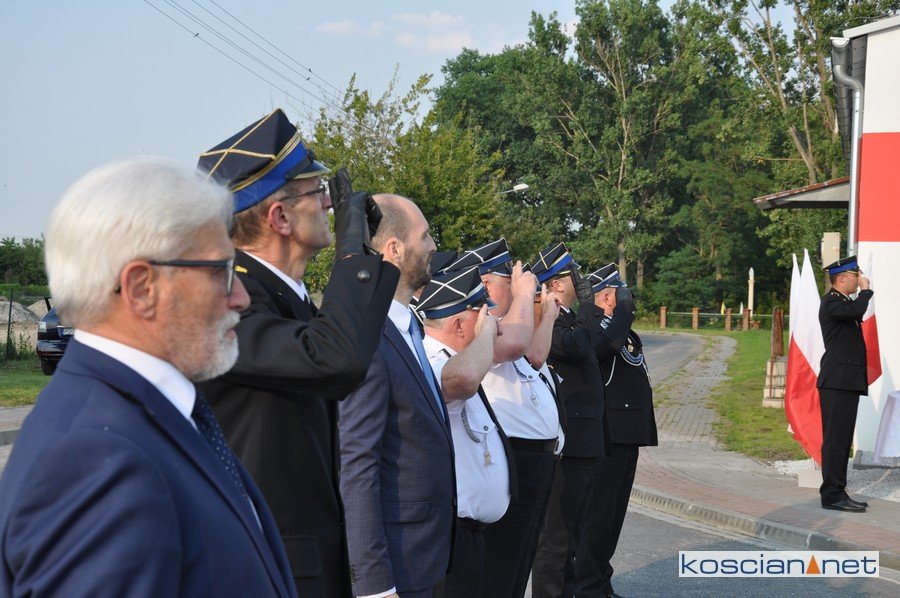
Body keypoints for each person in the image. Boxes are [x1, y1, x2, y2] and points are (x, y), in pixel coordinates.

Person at [0, 158, 295, 596]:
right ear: (141, 288)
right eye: (222, 271)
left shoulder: (141, 412)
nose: (241, 297)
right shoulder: (95, 460)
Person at [197, 108, 399, 597]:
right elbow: (334, 359)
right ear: (280, 217)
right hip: (268, 567)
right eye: (317, 191)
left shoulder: (287, 297)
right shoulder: (226, 299)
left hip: (302, 562)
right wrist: (352, 254)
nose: (330, 203)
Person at [338, 194, 455, 598]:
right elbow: (357, 465)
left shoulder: (408, 328)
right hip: (397, 567)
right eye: (424, 236)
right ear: (394, 249)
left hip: (426, 555)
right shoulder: (369, 337)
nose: (433, 246)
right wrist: (372, 584)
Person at [445, 240, 562, 598]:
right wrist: (525, 295)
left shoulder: (511, 323)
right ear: (485, 282)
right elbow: (514, 346)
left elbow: (535, 354)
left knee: (518, 562)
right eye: (508, 280)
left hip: (537, 461)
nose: (517, 285)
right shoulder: (482, 325)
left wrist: (547, 315)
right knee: (498, 568)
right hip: (514, 455)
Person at [417, 266, 514, 597]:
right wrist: (487, 335)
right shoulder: (430, 361)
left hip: (469, 536)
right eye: (483, 316)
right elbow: (463, 379)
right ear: (458, 324)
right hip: (449, 535)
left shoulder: (454, 358)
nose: (495, 325)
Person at [574, 264, 658, 598]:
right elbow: (602, 348)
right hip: (608, 433)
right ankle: (586, 587)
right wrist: (623, 311)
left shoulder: (621, 329)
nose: (626, 301)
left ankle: (599, 582)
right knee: (598, 516)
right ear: (607, 297)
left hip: (626, 433)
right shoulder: (593, 327)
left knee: (613, 518)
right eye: (619, 295)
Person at [531, 242, 608, 598]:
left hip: (585, 439)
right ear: (558, 284)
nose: (582, 281)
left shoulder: (568, 317)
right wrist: (591, 304)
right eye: (575, 275)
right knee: (556, 539)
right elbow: (577, 346)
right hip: (568, 442)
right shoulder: (543, 318)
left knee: (574, 535)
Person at [817, 255, 873, 513]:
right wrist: (866, 291)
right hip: (837, 381)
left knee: (842, 439)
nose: (858, 279)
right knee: (836, 441)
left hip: (845, 381)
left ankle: (838, 491)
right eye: (855, 276)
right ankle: (831, 495)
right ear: (841, 279)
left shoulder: (843, 303)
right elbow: (856, 311)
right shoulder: (832, 302)